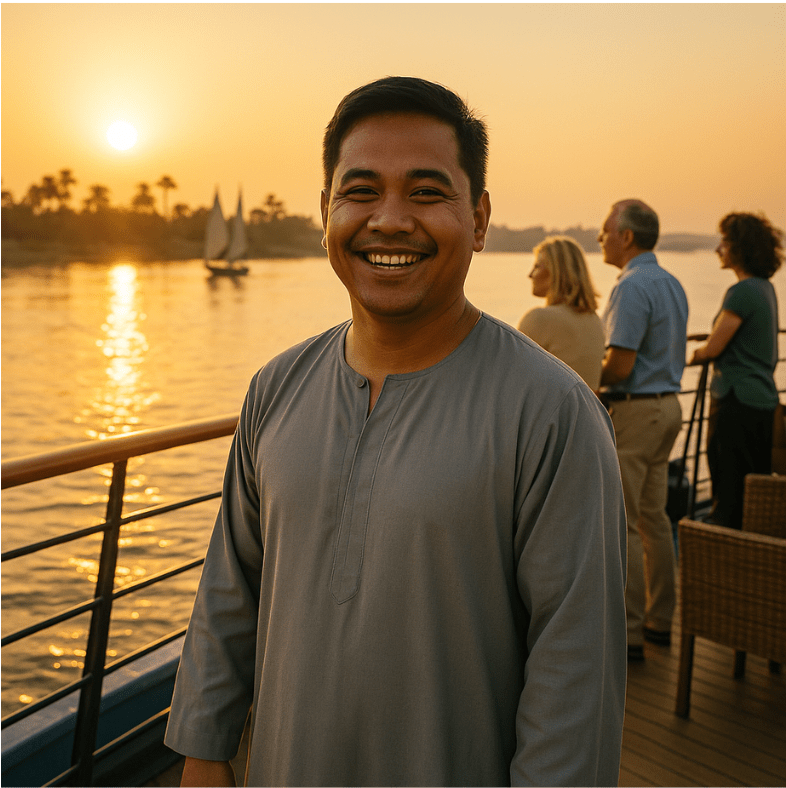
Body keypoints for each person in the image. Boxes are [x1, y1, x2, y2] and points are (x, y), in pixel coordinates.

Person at [165, 76, 627, 787]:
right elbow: (230, 590)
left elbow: (575, 672)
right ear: (326, 212)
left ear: (478, 219)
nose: (388, 220)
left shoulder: (552, 413)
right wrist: (204, 754)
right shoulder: (277, 390)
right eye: (360, 191)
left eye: (425, 192)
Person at [598, 199, 688, 661]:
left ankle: (629, 633)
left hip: (636, 412)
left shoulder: (630, 286)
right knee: (655, 518)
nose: (599, 238)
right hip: (669, 408)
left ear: (626, 237)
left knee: (626, 522)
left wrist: (585, 378)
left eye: (605, 230)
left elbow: (620, 363)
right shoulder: (671, 282)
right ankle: (660, 620)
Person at [690, 212, 783, 529]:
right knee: (752, 486)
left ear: (739, 248)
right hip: (762, 400)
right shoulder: (764, 288)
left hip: (736, 400)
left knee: (728, 484)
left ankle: (723, 551)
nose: (719, 249)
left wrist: (691, 355)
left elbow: (714, 348)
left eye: (725, 242)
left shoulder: (741, 292)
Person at [517, 235, 605, 389]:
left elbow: (510, 377)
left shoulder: (539, 319)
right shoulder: (594, 320)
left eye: (537, 266)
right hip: (588, 413)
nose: (530, 274)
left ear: (556, 271)